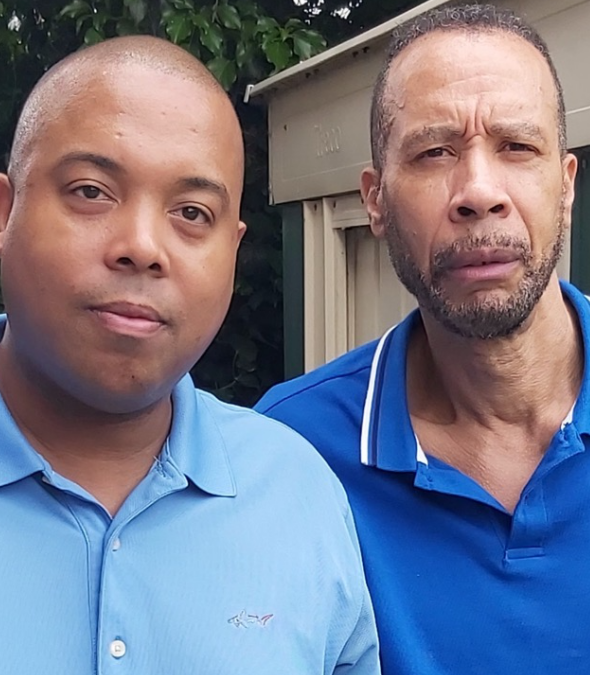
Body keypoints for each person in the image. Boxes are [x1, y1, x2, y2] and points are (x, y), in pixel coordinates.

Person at [0, 35, 378, 674]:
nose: (143, 246)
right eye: (92, 191)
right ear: (2, 212)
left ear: (233, 248)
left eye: (192, 212)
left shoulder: (298, 494)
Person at [256, 5, 590, 674]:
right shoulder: (288, 454)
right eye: (435, 151)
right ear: (374, 201)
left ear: (566, 183)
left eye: (517, 146)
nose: (477, 191)